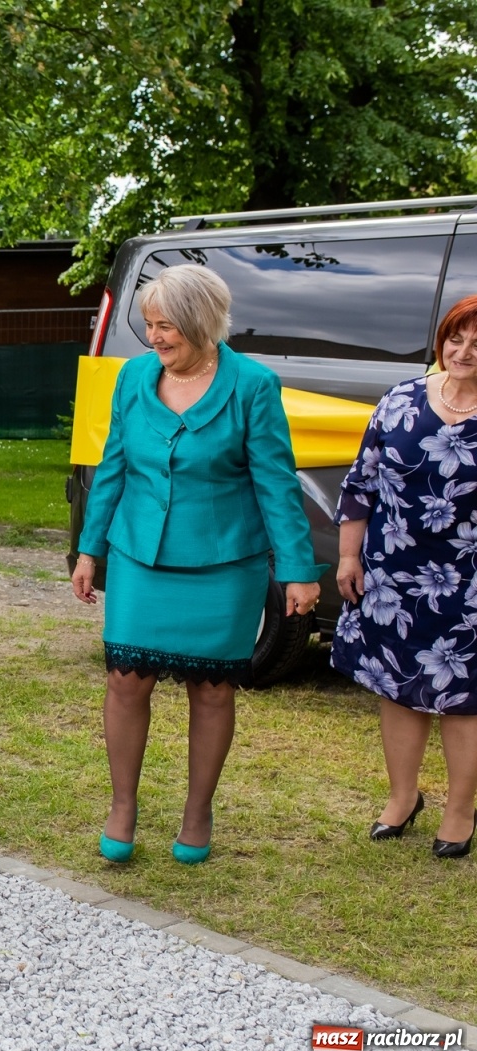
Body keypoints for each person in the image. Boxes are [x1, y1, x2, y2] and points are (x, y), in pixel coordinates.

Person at [70, 263, 323, 865]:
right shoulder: (132, 377)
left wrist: (298, 568)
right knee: (125, 681)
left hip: (223, 563)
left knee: (212, 691)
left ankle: (197, 810)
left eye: (168, 327)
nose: (156, 338)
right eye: (151, 325)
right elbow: (113, 468)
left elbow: (276, 483)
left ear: (202, 323)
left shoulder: (253, 386)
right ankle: (123, 805)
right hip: (139, 557)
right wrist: (90, 549)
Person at [331, 295, 477, 859]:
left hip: (467, 581)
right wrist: (349, 558)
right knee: (398, 691)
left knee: (464, 702)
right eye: (454, 339)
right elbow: (360, 484)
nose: (463, 352)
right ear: (441, 341)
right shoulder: (401, 400)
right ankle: (402, 797)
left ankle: (461, 811)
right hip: (394, 573)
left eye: (476, 345)